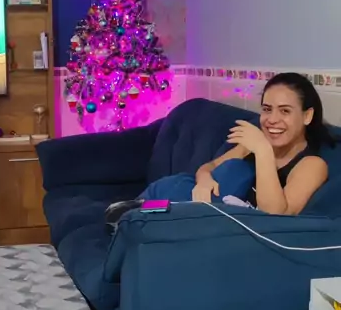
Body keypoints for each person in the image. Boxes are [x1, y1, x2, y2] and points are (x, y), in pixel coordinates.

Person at [106, 72, 333, 228]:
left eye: (285, 111)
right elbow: (210, 166)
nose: (272, 119)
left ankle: (138, 217)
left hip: (216, 222)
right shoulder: (251, 145)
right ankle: (138, 212)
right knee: (183, 190)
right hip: (188, 199)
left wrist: (263, 150)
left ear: (307, 116)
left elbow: (276, 217)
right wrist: (204, 179)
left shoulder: (311, 165)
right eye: (267, 109)